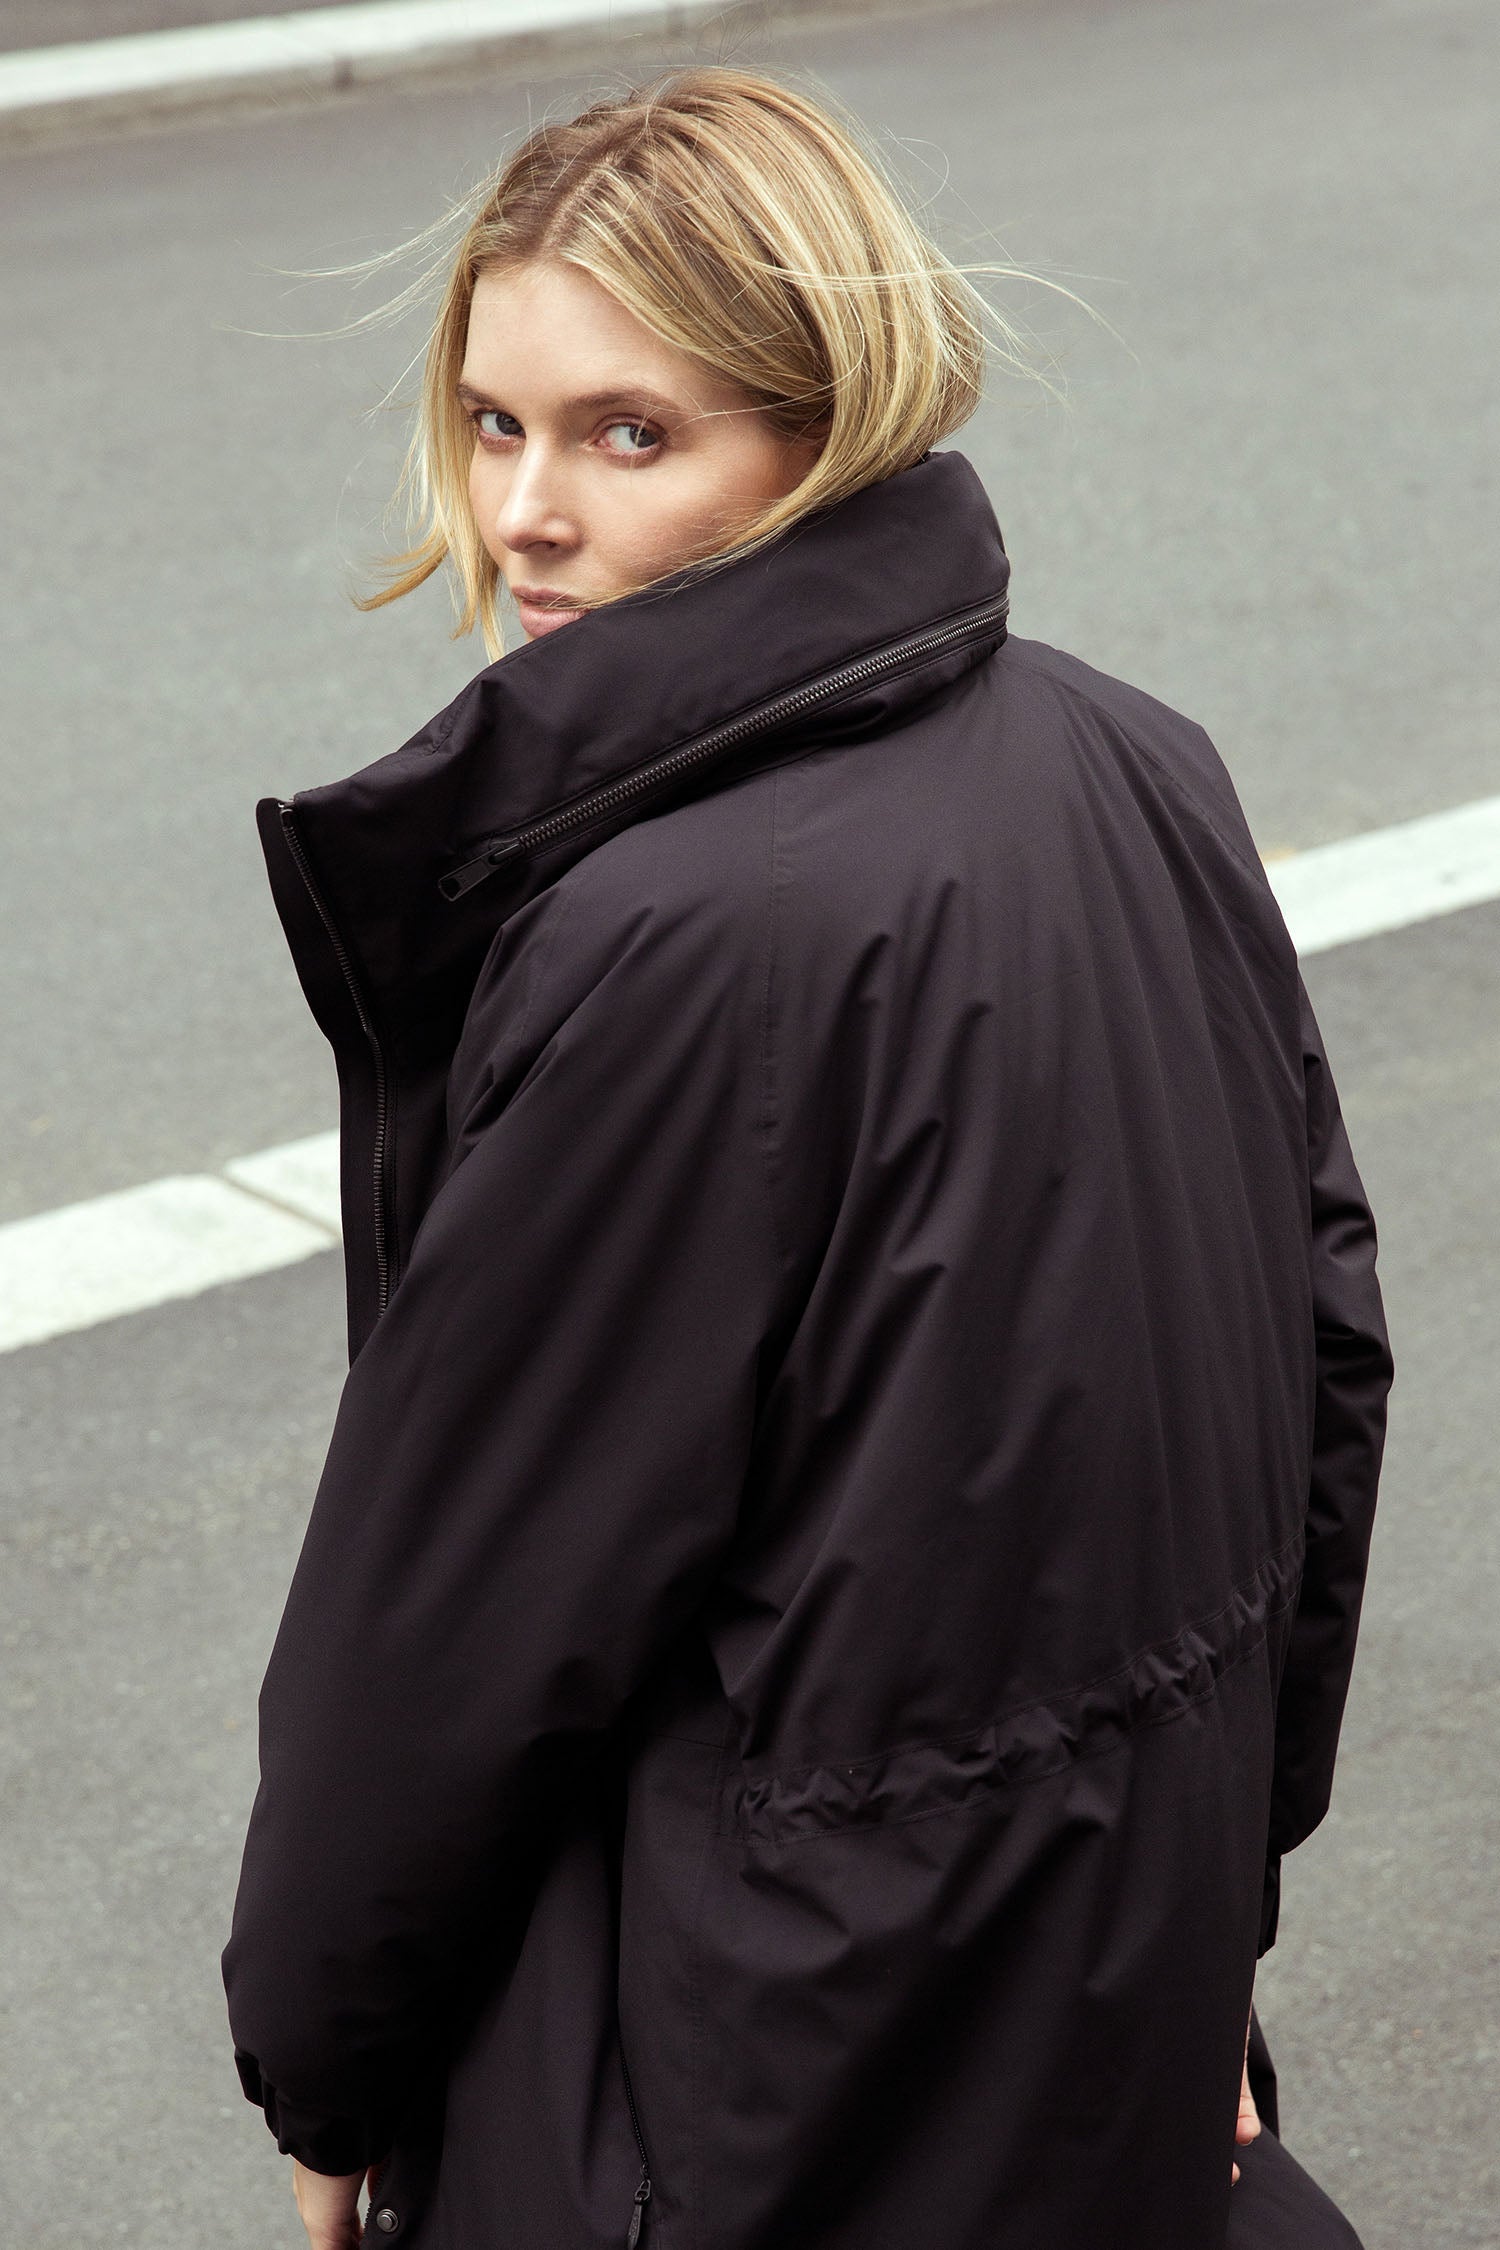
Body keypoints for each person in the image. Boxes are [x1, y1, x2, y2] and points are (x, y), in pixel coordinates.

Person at [220, 64, 1393, 2250]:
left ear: (822, 429)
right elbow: (1320, 1392)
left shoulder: (674, 940)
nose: (524, 512)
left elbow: (455, 1625)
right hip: (1082, 2015)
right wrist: (1198, 1935)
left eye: (627, 433)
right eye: (492, 423)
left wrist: (327, 2066)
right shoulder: (1139, 761)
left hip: (754, 2098)